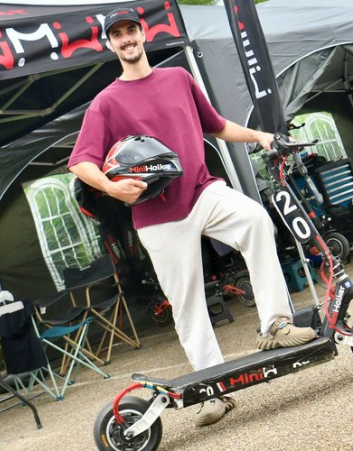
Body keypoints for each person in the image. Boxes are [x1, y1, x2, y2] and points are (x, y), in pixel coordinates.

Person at [67, 7, 315, 427]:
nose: (127, 39)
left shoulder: (178, 78)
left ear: (143, 34)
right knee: (187, 304)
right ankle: (212, 392)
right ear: (110, 44)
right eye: (118, 35)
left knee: (255, 219)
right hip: (156, 216)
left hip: (202, 190)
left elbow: (216, 126)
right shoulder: (106, 102)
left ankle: (275, 324)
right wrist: (111, 187)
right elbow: (81, 162)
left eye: (131, 30)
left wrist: (259, 135)